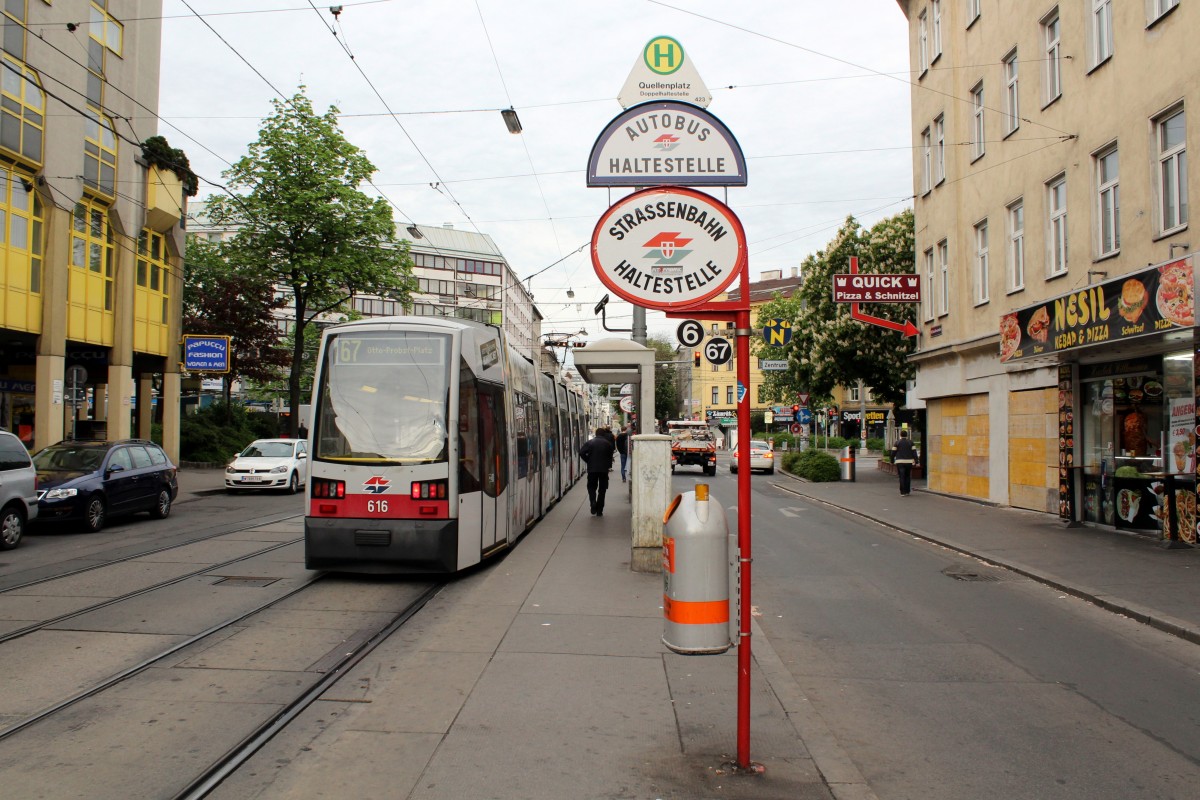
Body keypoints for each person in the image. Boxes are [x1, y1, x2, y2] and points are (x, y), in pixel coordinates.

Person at [580, 426, 616, 516]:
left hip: (592, 469)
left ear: (596, 434)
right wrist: (608, 466)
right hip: (603, 470)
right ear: (604, 435)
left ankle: (593, 501)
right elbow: (610, 456)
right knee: (602, 489)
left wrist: (588, 461)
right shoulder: (608, 444)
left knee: (591, 487)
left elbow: (581, 452)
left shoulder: (590, 442)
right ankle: (600, 510)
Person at [891, 429, 918, 496]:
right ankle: (907, 491)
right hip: (909, 462)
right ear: (907, 435)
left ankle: (902, 492)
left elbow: (893, 453)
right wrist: (916, 460)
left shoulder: (897, 443)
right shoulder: (911, 442)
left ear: (900, 435)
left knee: (901, 476)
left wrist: (892, 460)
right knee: (908, 476)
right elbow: (914, 452)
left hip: (899, 462)